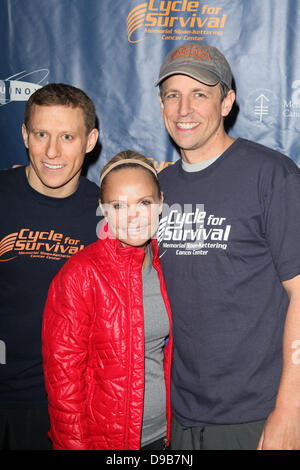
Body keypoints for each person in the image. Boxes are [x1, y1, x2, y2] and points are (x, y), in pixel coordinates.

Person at [155, 42, 300, 450]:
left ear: (227, 102)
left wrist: (290, 409)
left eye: (200, 94)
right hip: (182, 415)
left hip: (258, 415)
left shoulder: (271, 175)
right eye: (173, 95)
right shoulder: (159, 189)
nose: (184, 109)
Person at [42, 150, 173, 450]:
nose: (133, 216)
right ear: (103, 209)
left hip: (167, 435)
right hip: (108, 443)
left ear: (161, 202)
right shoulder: (80, 274)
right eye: (118, 205)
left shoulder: (167, 265)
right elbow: (64, 384)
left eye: (144, 202)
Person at [0, 83, 99, 450]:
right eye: (41, 134)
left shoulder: (109, 215)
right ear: (25, 134)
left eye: (67, 136)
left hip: (65, 408)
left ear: (90, 141)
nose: (52, 151)